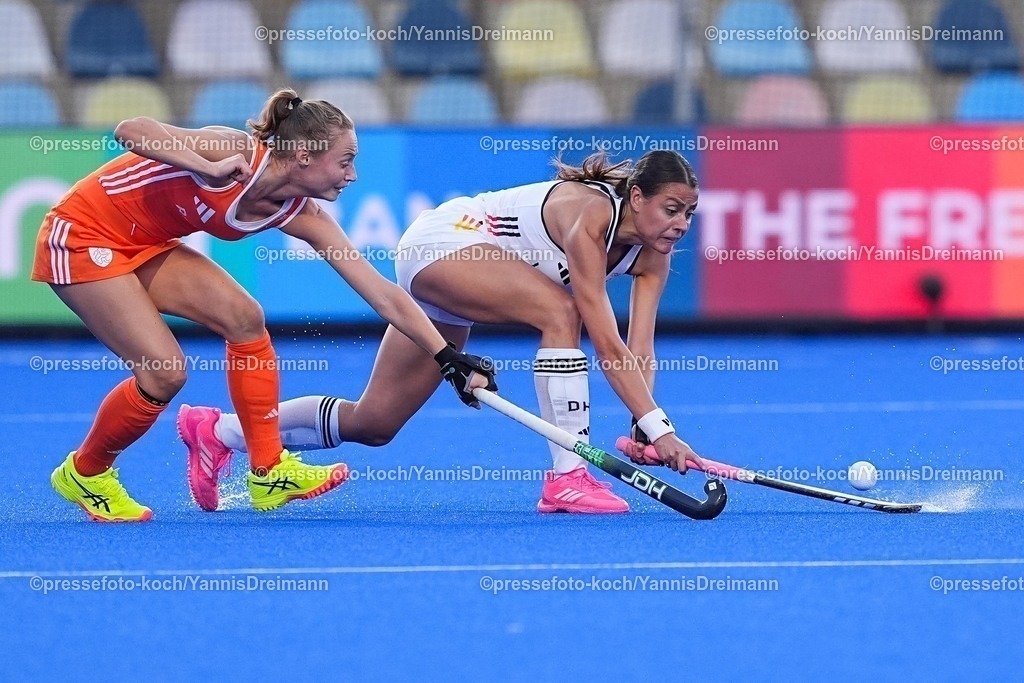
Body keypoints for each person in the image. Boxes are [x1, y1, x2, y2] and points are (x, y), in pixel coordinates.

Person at [32, 88, 494, 521]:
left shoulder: (303, 215)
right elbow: (130, 130)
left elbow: (383, 294)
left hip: (145, 244)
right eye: (346, 161)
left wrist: (446, 357)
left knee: (245, 319)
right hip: (81, 234)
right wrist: (204, 166)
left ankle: (269, 471)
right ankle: (85, 473)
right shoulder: (229, 149)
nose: (352, 175)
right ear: (304, 155)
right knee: (164, 371)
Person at [182, 149, 704, 514]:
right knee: (561, 312)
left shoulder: (653, 256)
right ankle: (567, 479)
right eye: (671, 208)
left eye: (689, 213)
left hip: (469, 270)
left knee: (375, 422)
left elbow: (639, 348)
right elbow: (605, 338)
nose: (680, 223)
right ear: (636, 197)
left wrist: (644, 426)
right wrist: (662, 430)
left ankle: (219, 432)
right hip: (444, 243)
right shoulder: (591, 215)